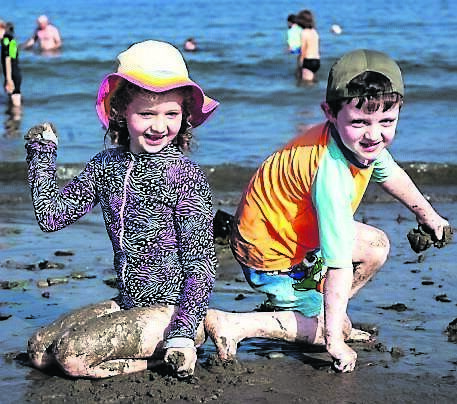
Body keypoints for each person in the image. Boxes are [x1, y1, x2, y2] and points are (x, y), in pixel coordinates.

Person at [204, 49, 451, 373]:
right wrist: (335, 341)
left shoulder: (359, 145)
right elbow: (338, 265)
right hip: (269, 252)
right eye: (360, 122)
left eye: (386, 121)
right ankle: (234, 324)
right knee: (333, 330)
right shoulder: (330, 173)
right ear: (330, 113)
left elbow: (389, 173)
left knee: (376, 246)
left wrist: (427, 215)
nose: (374, 134)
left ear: (399, 111)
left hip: (296, 235)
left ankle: (310, 311)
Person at [25, 39, 219, 379]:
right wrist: (42, 157)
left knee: (71, 356)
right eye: (146, 113)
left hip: (172, 314)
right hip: (128, 303)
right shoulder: (105, 166)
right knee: (40, 350)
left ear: (184, 115)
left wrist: (184, 332)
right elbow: (51, 217)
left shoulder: (184, 175)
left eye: (171, 114)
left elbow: (200, 264)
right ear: (119, 111)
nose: (160, 126)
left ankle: (165, 357)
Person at [1, 21, 22, 108]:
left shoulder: (6, 40)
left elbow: (8, 60)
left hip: (13, 75)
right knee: (13, 101)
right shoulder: (11, 39)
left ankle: (16, 119)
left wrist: (9, 80)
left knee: (16, 105)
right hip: (15, 74)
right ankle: (14, 119)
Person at [296, 9, 320, 82]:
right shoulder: (314, 31)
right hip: (317, 60)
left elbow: (303, 49)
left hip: (308, 61)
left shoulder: (303, 33)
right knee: (312, 81)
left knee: (306, 83)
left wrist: (300, 62)